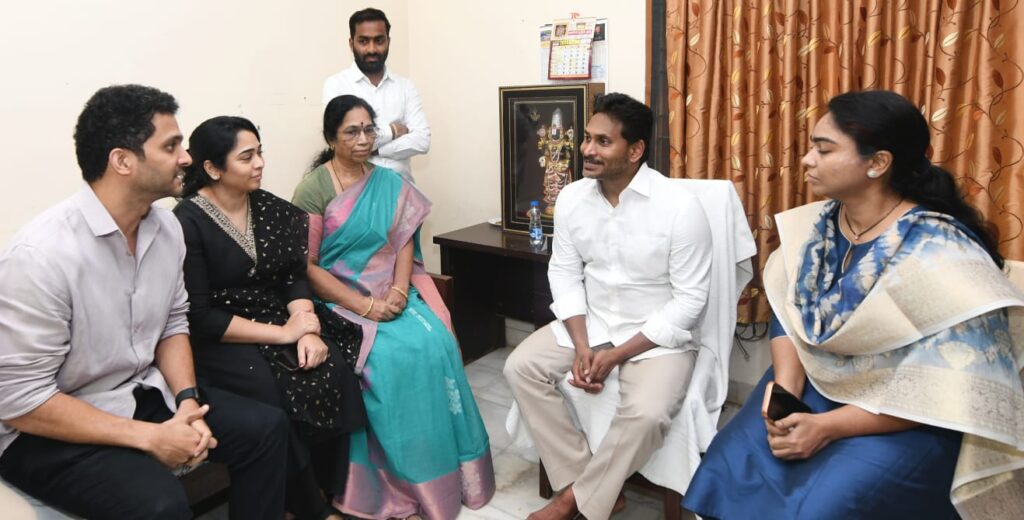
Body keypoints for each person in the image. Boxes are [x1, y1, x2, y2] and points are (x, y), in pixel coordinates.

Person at [682, 90, 1024, 519]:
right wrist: (786, 387)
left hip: (905, 415)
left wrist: (827, 427)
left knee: (826, 506)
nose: (807, 160)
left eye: (823, 150)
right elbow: (790, 313)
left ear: (878, 163)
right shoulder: (818, 226)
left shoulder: (942, 253)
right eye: (811, 147)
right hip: (813, 386)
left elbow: (953, 387)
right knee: (729, 464)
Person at [0, 85, 290, 520]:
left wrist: (188, 401)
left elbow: (174, 324)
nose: (186, 157)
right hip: (46, 429)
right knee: (158, 503)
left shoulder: (165, 229)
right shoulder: (41, 257)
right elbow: (21, 400)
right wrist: (147, 437)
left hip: (138, 393)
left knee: (266, 429)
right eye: (171, 145)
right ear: (123, 161)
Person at [504, 93, 713, 520]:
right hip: (593, 321)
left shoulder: (680, 208)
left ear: (635, 151)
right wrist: (583, 346)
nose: (586, 150)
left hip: (658, 335)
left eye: (603, 142)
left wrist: (615, 356)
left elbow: (690, 301)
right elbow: (563, 273)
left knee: (649, 413)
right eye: (587, 138)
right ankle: (592, 485)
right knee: (519, 366)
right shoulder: (572, 199)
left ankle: (573, 501)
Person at [292, 94, 495, 520]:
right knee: (388, 358)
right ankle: (394, 483)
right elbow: (307, 267)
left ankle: (453, 471)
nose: (364, 139)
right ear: (331, 138)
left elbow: (403, 242)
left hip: (391, 289)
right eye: (352, 131)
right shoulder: (314, 188)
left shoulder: (388, 182)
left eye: (369, 129)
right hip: (339, 296)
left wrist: (400, 294)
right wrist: (365, 306)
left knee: (437, 341)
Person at [174, 116, 368, 520]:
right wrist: (283, 334)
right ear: (212, 167)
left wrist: (307, 329)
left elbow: (293, 277)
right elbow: (201, 315)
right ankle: (306, 507)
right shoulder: (187, 221)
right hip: (225, 337)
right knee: (271, 392)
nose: (259, 163)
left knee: (333, 368)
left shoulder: (270, 208)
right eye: (247, 157)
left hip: (283, 321)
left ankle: (329, 490)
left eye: (260, 152)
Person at [322, 7, 429, 182]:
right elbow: (339, 141)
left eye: (379, 40)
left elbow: (422, 140)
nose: (372, 49)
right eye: (363, 41)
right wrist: (393, 131)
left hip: (402, 192)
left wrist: (374, 150)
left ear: (388, 41)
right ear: (351, 43)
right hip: (353, 194)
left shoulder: (405, 87)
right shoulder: (336, 85)